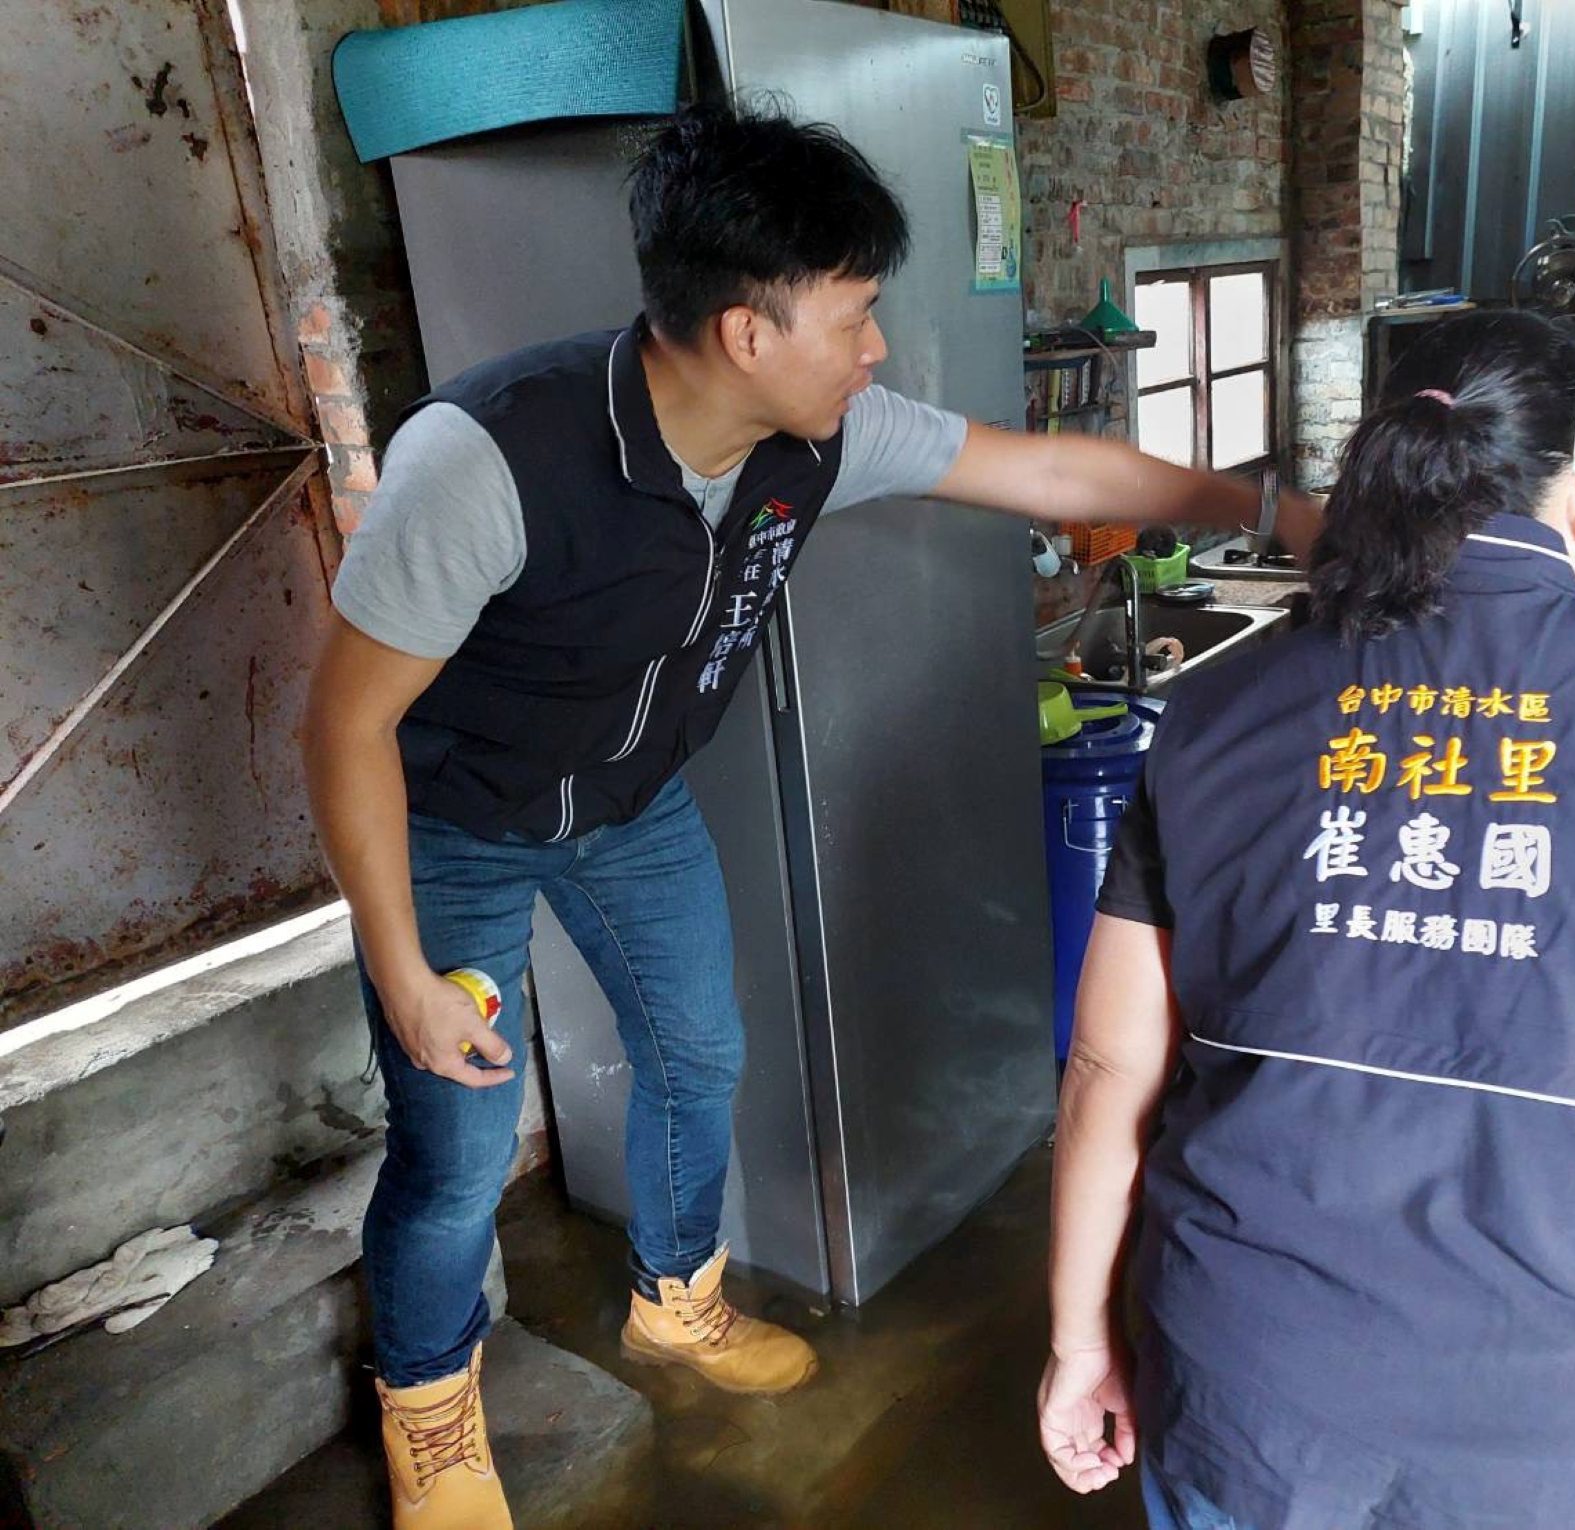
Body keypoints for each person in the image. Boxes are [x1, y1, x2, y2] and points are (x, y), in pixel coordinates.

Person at [300, 101, 1318, 1530]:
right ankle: (427, 1399)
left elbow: (1044, 470)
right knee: (456, 1147)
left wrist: (1271, 507)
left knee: (698, 1053)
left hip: (635, 806)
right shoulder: (490, 461)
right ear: (745, 332)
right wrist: (403, 968)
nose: (877, 346)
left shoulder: (813, 433)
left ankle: (676, 1299)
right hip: (454, 824)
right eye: (854, 314)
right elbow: (344, 724)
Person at [1037, 309, 1575, 1530]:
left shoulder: (1217, 713)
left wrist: (1077, 1341)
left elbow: (1112, 1064)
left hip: (1253, 1392)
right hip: (1561, 1438)